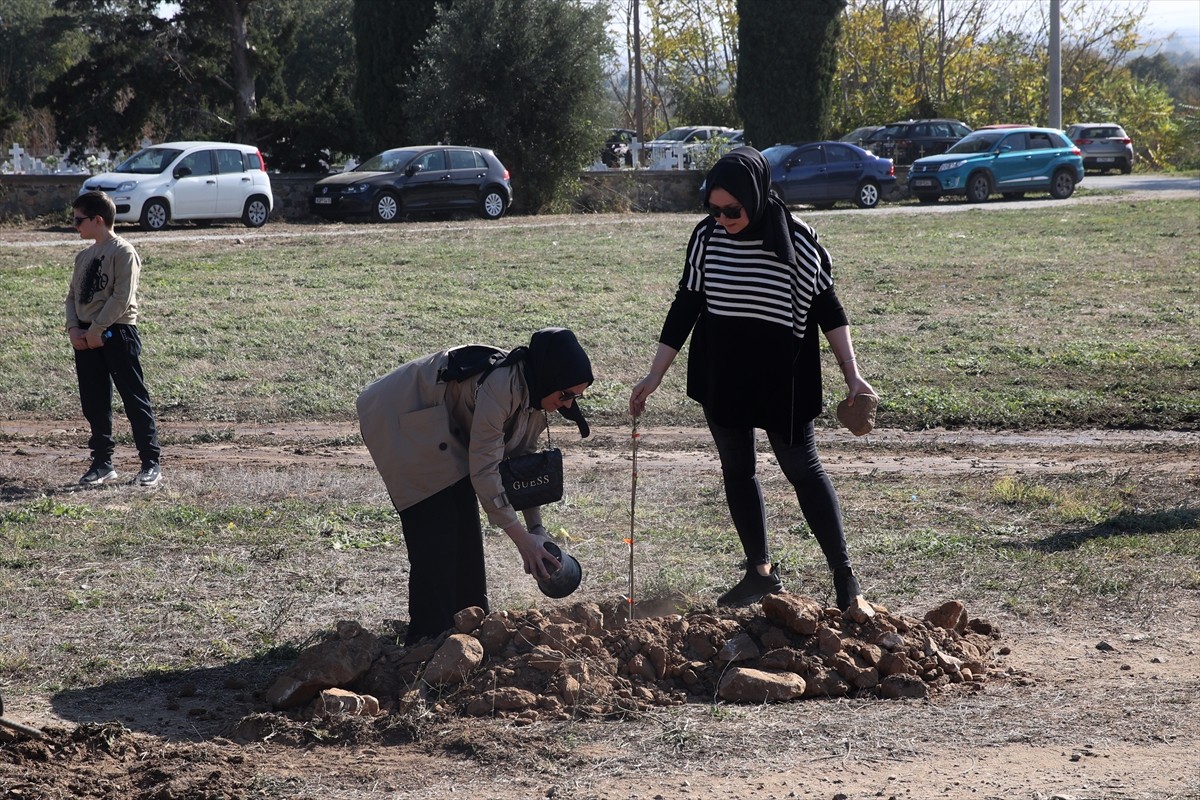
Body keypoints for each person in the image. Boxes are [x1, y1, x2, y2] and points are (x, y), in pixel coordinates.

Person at [629, 146, 875, 616]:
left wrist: (853, 375)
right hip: (723, 371)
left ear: (756, 197)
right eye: (714, 209)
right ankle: (759, 573)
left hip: (783, 378)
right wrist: (654, 374)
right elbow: (686, 305)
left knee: (802, 470)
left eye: (732, 210)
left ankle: (845, 576)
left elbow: (829, 311)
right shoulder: (706, 238)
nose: (722, 219)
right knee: (737, 469)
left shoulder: (798, 241)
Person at [357, 327, 594, 644]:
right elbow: (485, 471)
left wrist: (536, 529)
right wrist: (522, 540)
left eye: (575, 398)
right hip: (402, 414)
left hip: (442, 425)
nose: (567, 406)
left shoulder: (537, 396)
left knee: (464, 522)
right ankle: (428, 641)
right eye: (565, 395)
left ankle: (471, 625)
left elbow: (521, 462)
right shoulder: (502, 387)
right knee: (436, 526)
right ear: (551, 377)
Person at [65, 190, 161, 487]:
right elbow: (72, 297)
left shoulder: (123, 251)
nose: (75, 226)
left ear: (98, 219)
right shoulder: (84, 256)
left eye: (79, 220)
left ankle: (150, 463)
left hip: (116, 331)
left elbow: (121, 297)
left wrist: (96, 330)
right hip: (86, 334)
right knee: (94, 402)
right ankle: (102, 463)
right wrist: (73, 329)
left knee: (133, 398)